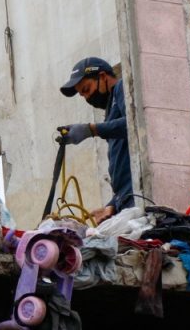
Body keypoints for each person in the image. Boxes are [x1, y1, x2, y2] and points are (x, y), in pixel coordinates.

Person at [57, 56, 133, 224]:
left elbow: (133, 124)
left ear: (103, 77)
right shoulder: (110, 111)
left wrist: (91, 129)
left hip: (137, 197)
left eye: (86, 89)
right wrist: (112, 205)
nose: (87, 97)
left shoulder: (122, 87)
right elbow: (123, 164)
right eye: (82, 94)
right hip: (126, 199)